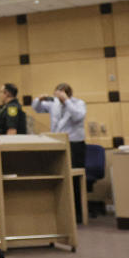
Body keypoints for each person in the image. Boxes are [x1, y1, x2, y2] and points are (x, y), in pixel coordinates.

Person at [33, 82, 87, 221]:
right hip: (57, 142)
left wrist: (67, 101)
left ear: (68, 93)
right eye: (57, 92)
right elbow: (37, 109)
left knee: (74, 179)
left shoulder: (78, 103)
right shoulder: (54, 104)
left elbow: (77, 116)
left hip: (75, 144)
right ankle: (63, 212)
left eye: (62, 93)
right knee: (58, 175)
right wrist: (40, 99)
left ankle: (78, 214)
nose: (59, 96)